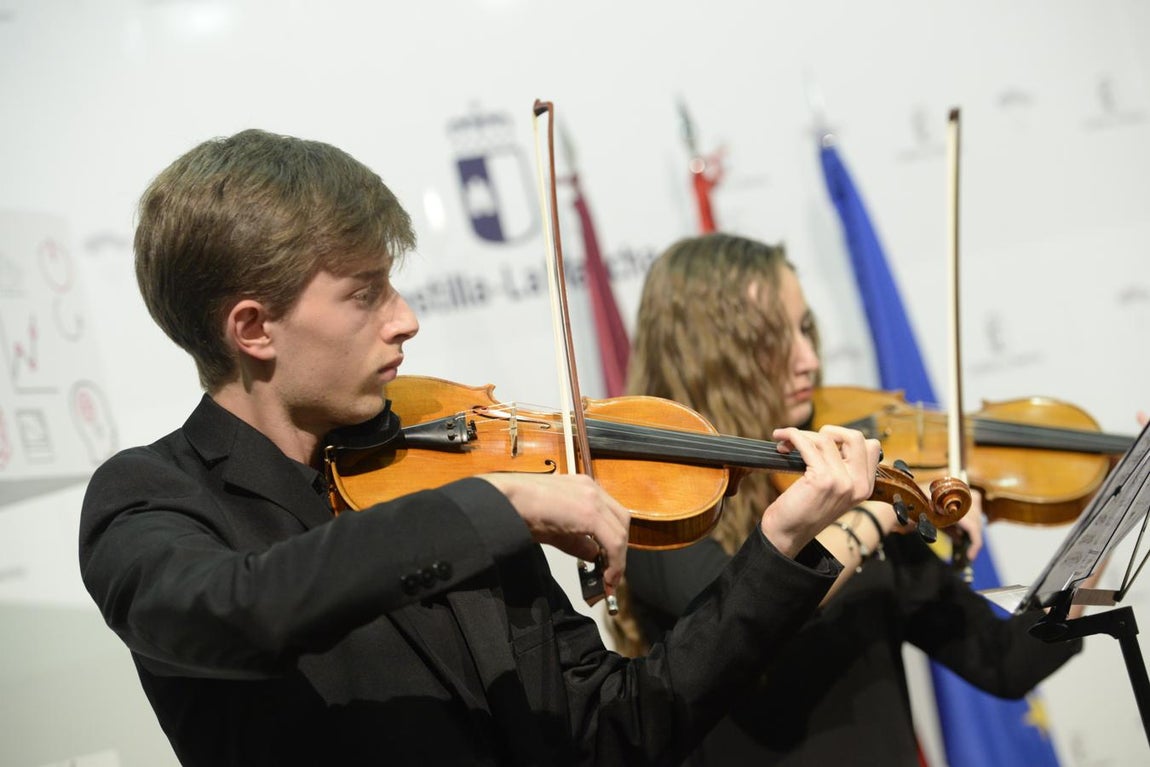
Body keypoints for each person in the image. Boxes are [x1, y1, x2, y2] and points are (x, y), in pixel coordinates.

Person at [77, 129, 885, 767]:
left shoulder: (445, 467)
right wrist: (498, 504)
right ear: (253, 328)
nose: (405, 318)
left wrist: (778, 545)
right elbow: (233, 614)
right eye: (364, 294)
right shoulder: (153, 495)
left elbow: (623, 728)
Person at [611, 232, 1084, 765]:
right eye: (772, 337)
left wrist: (1108, 519)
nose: (810, 360)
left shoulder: (855, 485)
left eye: (806, 329)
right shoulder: (658, 500)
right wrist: (871, 516)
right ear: (706, 353)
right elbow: (732, 615)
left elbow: (1005, 661)